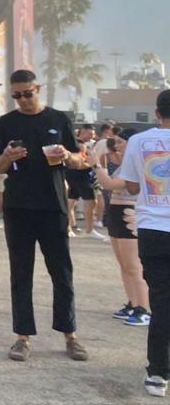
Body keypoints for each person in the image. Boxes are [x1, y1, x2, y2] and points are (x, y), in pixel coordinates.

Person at [0, 68, 92, 362]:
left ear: (38, 88)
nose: (22, 100)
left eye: (27, 93)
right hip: (18, 208)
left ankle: (70, 335)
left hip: (53, 207)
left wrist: (66, 156)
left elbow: (79, 161)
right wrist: (7, 158)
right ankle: (22, 337)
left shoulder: (58, 119)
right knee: (20, 274)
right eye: (17, 95)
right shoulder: (6, 123)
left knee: (61, 274)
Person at [118, 90, 170, 397]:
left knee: (161, 302)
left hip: (152, 228)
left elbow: (133, 184)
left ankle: (157, 374)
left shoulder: (138, 141)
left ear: (156, 112)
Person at [94, 130, 150, 326]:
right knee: (124, 265)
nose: (115, 146)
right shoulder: (123, 163)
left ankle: (144, 308)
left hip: (129, 214)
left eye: (120, 142)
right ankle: (133, 303)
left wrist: (97, 161)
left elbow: (108, 183)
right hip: (117, 214)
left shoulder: (136, 164)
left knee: (134, 266)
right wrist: (103, 151)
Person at [67, 125, 104, 239]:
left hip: (73, 176)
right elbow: (81, 164)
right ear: (82, 133)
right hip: (82, 177)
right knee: (91, 201)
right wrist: (93, 164)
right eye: (90, 134)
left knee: (71, 202)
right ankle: (89, 229)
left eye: (92, 134)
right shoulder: (80, 145)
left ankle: (68, 228)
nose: (92, 136)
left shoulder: (77, 144)